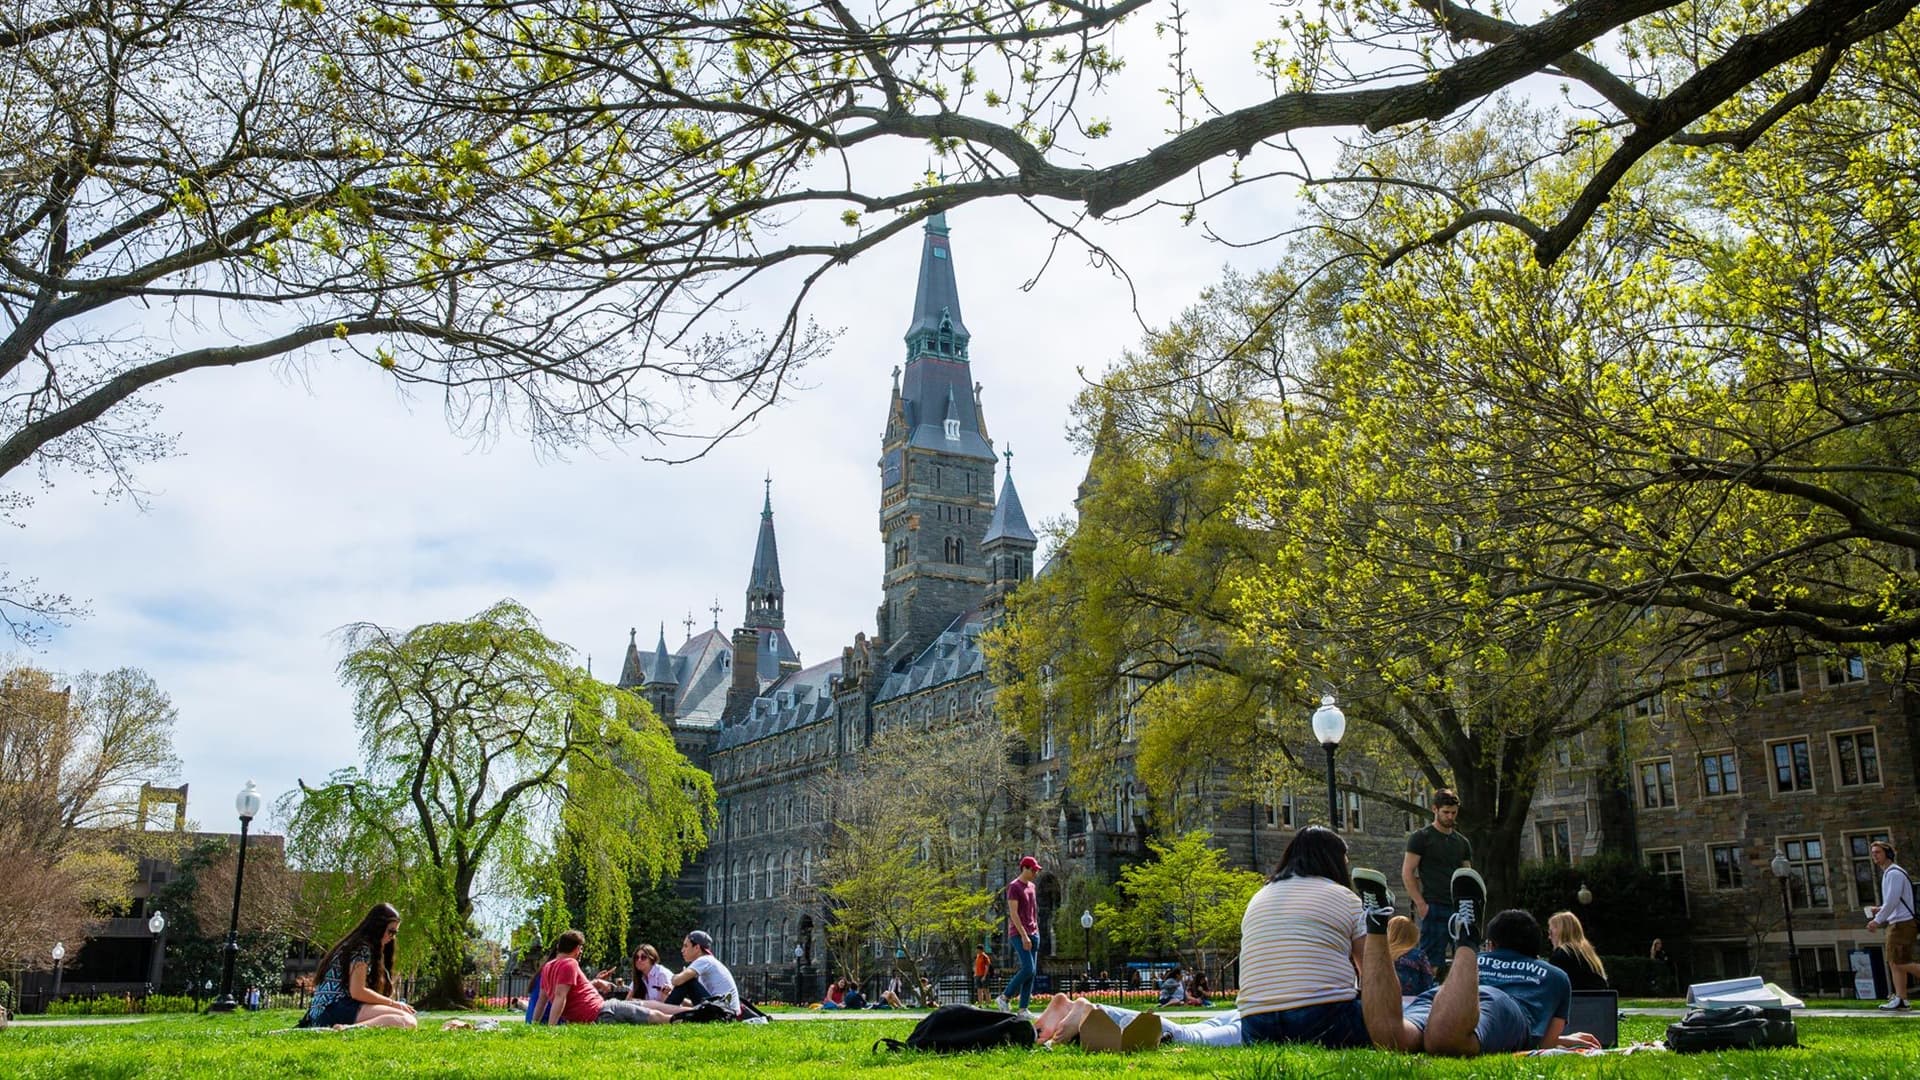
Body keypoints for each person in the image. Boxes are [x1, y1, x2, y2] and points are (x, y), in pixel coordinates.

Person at [1353, 867, 1599, 1056]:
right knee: (1443, 1041)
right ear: (1536, 948)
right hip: (1504, 1007)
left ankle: (1377, 922)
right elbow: (1545, 1044)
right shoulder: (1555, 976)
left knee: (1392, 1038)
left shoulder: (1469, 964)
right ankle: (1467, 935)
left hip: (1446, 997)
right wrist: (1564, 1041)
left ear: (1490, 945)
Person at [1235, 826, 1372, 1048]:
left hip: (1256, 1023)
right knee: (1413, 1011)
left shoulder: (1258, 897)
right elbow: (1371, 971)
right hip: (1324, 1017)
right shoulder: (1346, 897)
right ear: (1334, 862)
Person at [297, 902, 418, 1030]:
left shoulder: (354, 945)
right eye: (390, 931)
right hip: (334, 1008)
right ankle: (347, 1028)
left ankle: (348, 1027)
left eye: (395, 933)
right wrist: (393, 1004)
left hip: (324, 1011)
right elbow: (357, 992)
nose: (392, 937)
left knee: (405, 1017)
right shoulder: (361, 949)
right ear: (378, 927)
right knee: (407, 1020)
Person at [1403, 788, 1472, 970]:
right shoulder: (1421, 838)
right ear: (1435, 809)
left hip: (1460, 908)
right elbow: (1408, 872)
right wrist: (1420, 904)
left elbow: (1468, 876)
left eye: (1454, 813)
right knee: (1430, 965)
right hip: (1433, 906)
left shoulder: (1462, 842)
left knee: (1466, 960)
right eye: (1446, 812)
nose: (1450, 817)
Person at [533, 930, 652, 1024]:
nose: (581, 952)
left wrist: (534, 1024)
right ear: (577, 948)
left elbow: (541, 1000)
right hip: (600, 1011)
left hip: (600, 1009)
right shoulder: (569, 963)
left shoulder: (547, 967)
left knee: (643, 1006)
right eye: (581, 948)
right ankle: (665, 1017)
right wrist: (552, 1027)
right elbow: (560, 996)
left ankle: (664, 1012)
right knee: (650, 1013)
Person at [1867, 840, 1920, 1010]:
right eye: (1873, 853)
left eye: (1878, 852)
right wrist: (1880, 909)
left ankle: (1900, 998)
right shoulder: (1890, 873)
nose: (1874, 856)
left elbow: (1892, 900)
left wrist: (1877, 920)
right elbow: (1894, 901)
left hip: (1902, 924)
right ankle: (1901, 999)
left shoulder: (1894, 873)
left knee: (1899, 962)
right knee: (1894, 961)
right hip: (1898, 922)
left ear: (1888, 854)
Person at [994, 854, 1043, 1018]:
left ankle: (1023, 1009)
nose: (1035, 873)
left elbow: (1034, 911)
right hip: (1019, 933)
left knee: (1032, 972)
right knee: (1028, 968)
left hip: (1033, 932)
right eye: (1033, 870)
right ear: (1024, 868)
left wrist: (1036, 932)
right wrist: (1024, 935)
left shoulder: (1032, 887)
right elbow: (1013, 914)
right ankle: (1004, 997)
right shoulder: (1014, 887)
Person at [1546, 912, 1609, 992]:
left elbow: (1551, 988)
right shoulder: (1589, 955)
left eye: (1550, 932)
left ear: (1560, 932)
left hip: (1574, 999)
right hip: (1598, 999)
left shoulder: (1560, 955)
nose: (1549, 937)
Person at [1388, 915, 1435, 997]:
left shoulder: (1382, 955)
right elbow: (1428, 984)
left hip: (1385, 999)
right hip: (1413, 1001)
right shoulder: (1418, 955)